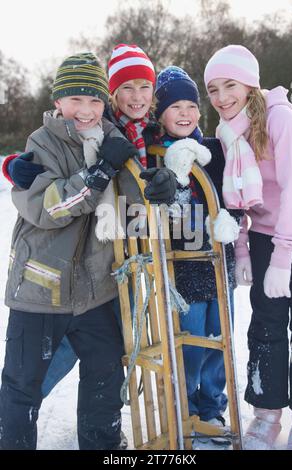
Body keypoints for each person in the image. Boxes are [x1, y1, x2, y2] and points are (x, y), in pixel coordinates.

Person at [0, 51, 175, 450]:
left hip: (96, 290)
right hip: (41, 291)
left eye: (94, 100)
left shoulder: (114, 141)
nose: (86, 110)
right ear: (57, 102)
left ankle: (103, 446)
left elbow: (133, 202)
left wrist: (159, 186)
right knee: (22, 385)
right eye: (75, 99)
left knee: (103, 377)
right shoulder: (42, 144)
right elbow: (50, 208)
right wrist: (98, 173)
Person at [204, 44, 292, 450]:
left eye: (230, 85)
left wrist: (283, 256)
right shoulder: (229, 133)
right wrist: (243, 250)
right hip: (262, 238)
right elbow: (237, 196)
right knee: (265, 327)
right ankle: (266, 415)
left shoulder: (282, 119)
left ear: (251, 85)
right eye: (212, 89)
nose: (222, 97)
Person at [154, 66, 242, 447]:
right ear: (161, 114)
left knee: (220, 336)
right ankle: (186, 407)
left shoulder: (214, 152)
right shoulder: (156, 155)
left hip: (219, 263)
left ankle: (211, 407)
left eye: (192, 105)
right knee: (189, 341)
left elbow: (234, 194)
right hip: (181, 266)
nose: (186, 113)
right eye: (176, 107)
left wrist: (232, 218)